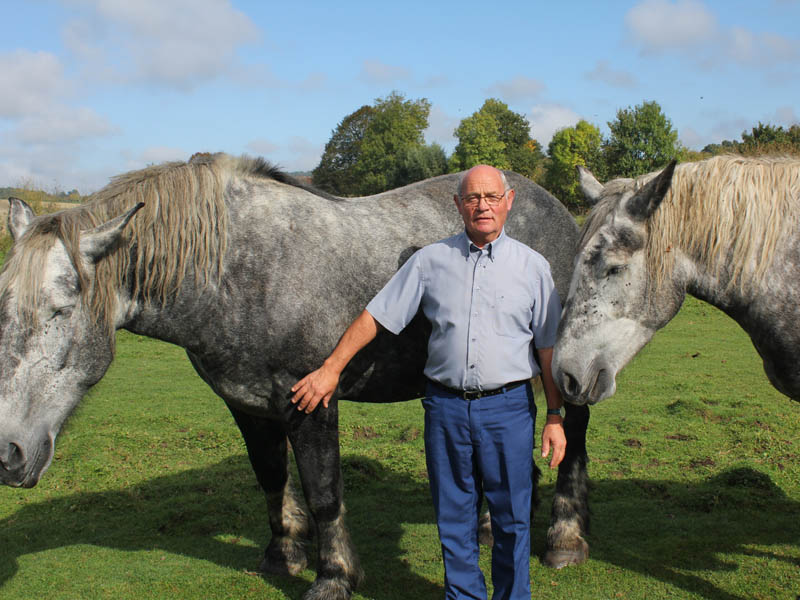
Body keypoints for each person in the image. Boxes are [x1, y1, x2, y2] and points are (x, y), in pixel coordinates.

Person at [291, 164, 566, 599]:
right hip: (446, 409)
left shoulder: (533, 268)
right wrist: (331, 368)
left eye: (491, 197)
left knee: (512, 518)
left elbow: (547, 348)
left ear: (508, 202)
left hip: (509, 409)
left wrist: (554, 415)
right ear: (457, 205)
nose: (483, 206)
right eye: (473, 198)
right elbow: (376, 317)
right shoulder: (430, 261)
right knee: (454, 519)